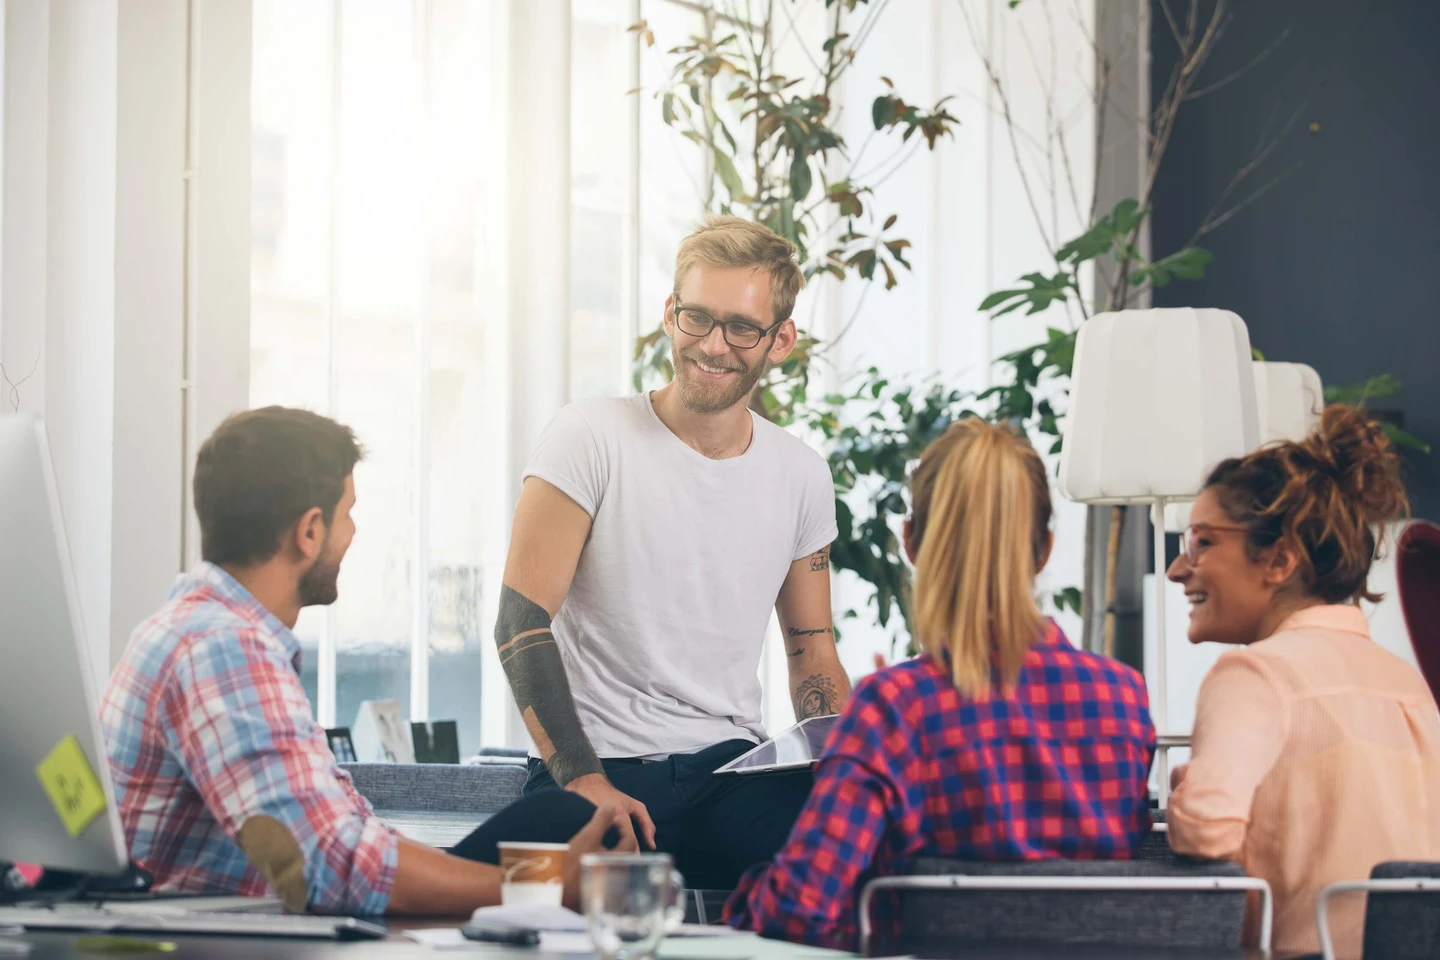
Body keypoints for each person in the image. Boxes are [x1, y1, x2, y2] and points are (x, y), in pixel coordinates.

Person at [101, 407, 627, 916]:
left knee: (559, 820)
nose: (352, 532)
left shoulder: (201, 630)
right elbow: (337, 866)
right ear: (309, 531)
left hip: (290, 908)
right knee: (564, 826)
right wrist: (544, 888)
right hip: (255, 931)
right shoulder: (221, 650)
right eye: (347, 513)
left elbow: (347, 827)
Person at [495, 216, 851, 889]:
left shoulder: (802, 474)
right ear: (669, 313)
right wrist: (585, 779)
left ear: (781, 339)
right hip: (596, 766)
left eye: (740, 328)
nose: (712, 346)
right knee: (524, 873)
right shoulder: (589, 435)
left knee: (854, 845)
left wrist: (849, 765)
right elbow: (520, 621)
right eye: (696, 319)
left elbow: (811, 649)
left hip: (731, 775)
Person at [725, 417, 1157, 949]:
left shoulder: (895, 707)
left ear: (910, 542)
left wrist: (735, 898)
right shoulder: (1123, 697)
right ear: (1044, 549)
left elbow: (798, 910)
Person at [1165, 404, 1440, 960]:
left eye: (1201, 542)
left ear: (1280, 560)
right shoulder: (1406, 682)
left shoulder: (1254, 674)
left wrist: (1183, 789)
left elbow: (1206, 832)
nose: (1177, 568)